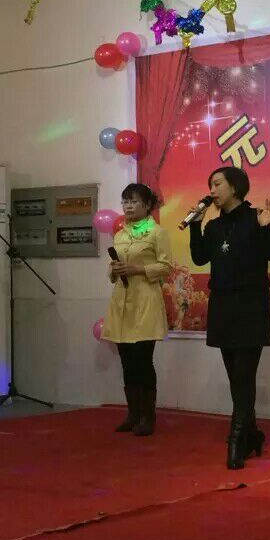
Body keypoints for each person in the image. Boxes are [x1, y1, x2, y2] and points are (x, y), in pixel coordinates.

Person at [189, 166, 270, 470]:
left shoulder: (256, 217)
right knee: (235, 378)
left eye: (218, 184)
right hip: (222, 306)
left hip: (251, 306)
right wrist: (195, 224)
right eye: (210, 184)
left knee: (244, 376)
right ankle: (252, 434)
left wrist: (266, 228)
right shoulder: (214, 226)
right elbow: (199, 258)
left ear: (235, 187)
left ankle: (236, 440)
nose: (212, 190)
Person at [102, 183, 172, 436]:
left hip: (145, 301)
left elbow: (166, 267)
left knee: (143, 361)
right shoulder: (120, 234)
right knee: (127, 362)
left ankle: (148, 416)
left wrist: (138, 269)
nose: (128, 206)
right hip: (122, 302)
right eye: (125, 202)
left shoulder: (157, 233)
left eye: (133, 201)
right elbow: (112, 271)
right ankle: (132, 414)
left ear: (147, 205)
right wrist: (115, 270)